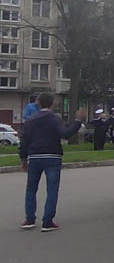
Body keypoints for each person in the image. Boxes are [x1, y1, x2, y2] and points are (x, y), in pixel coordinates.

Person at [18, 93, 87, 232]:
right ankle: (47, 222)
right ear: (52, 104)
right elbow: (65, 134)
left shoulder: (30, 120)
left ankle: (29, 219)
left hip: (35, 156)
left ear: (38, 103)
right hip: (52, 156)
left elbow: (24, 140)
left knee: (31, 188)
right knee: (52, 189)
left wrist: (23, 158)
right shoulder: (55, 119)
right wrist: (78, 121)